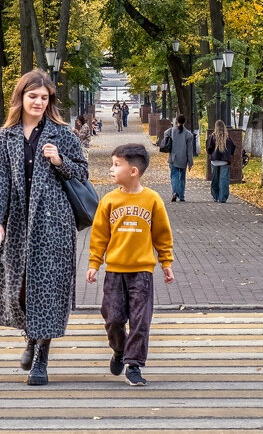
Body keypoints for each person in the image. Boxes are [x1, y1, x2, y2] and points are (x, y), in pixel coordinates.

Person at [0, 69, 88, 386]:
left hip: (53, 222)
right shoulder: (5, 137)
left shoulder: (62, 133)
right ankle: (30, 336)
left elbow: (82, 173)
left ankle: (41, 358)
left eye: (44, 98)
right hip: (17, 223)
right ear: (21, 97)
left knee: (47, 291)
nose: (39, 102)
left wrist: (60, 161)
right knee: (18, 290)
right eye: (33, 96)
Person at [86, 143, 174, 386]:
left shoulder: (152, 199)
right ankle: (119, 349)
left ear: (133, 171)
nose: (111, 170)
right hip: (114, 272)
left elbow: (162, 234)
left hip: (142, 273)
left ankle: (133, 364)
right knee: (113, 319)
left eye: (116, 165)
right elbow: (99, 235)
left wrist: (166, 262)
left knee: (140, 320)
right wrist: (95, 262)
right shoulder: (109, 200)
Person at [165, 114, 193, 202]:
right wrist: (190, 162)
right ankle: (181, 196)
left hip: (173, 158)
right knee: (182, 178)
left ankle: (174, 192)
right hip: (183, 159)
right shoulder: (188, 134)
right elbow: (189, 150)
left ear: (177, 121)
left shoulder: (171, 131)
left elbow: (165, 133)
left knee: (174, 176)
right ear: (184, 122)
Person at [206, 119, 236, 203]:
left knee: (215, 179)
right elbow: (233, 147)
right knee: (224, 180)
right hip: (224, 161)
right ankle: (222, 198)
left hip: (215, 161)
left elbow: (209, 148)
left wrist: (211, 153)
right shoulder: (227, 137)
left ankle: (215, 196)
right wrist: (229, 154)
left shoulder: (212, 136)